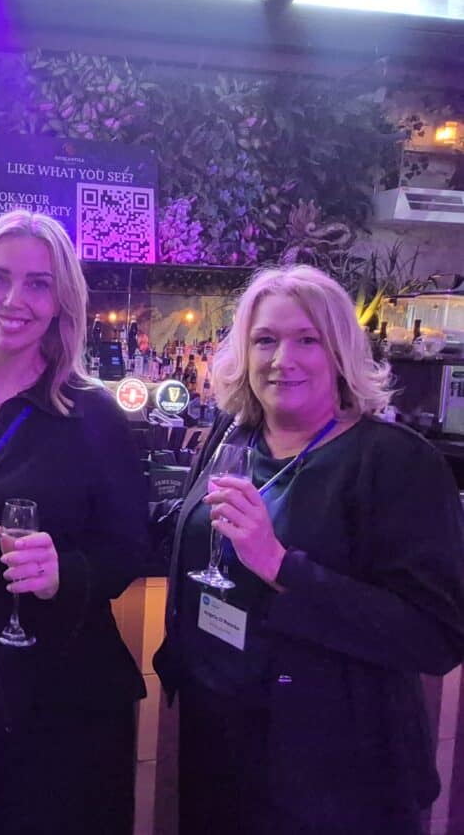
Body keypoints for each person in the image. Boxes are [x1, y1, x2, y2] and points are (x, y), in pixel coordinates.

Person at [154, 264, 464, 835]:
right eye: (265, 340)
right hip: (219, 745)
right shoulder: (233, 436)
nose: (282, 359)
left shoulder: (396, 462)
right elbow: (187, 537)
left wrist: (280, 566)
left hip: (335, 775)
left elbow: (435, 635)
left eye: (307, 340)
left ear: (340, 352)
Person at [0, 209, 148, 835]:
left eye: (38, 284)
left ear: (62, 302)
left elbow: (129, 547)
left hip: (60, 688)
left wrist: (65, 572)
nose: (14, 300)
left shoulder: (93, 413)